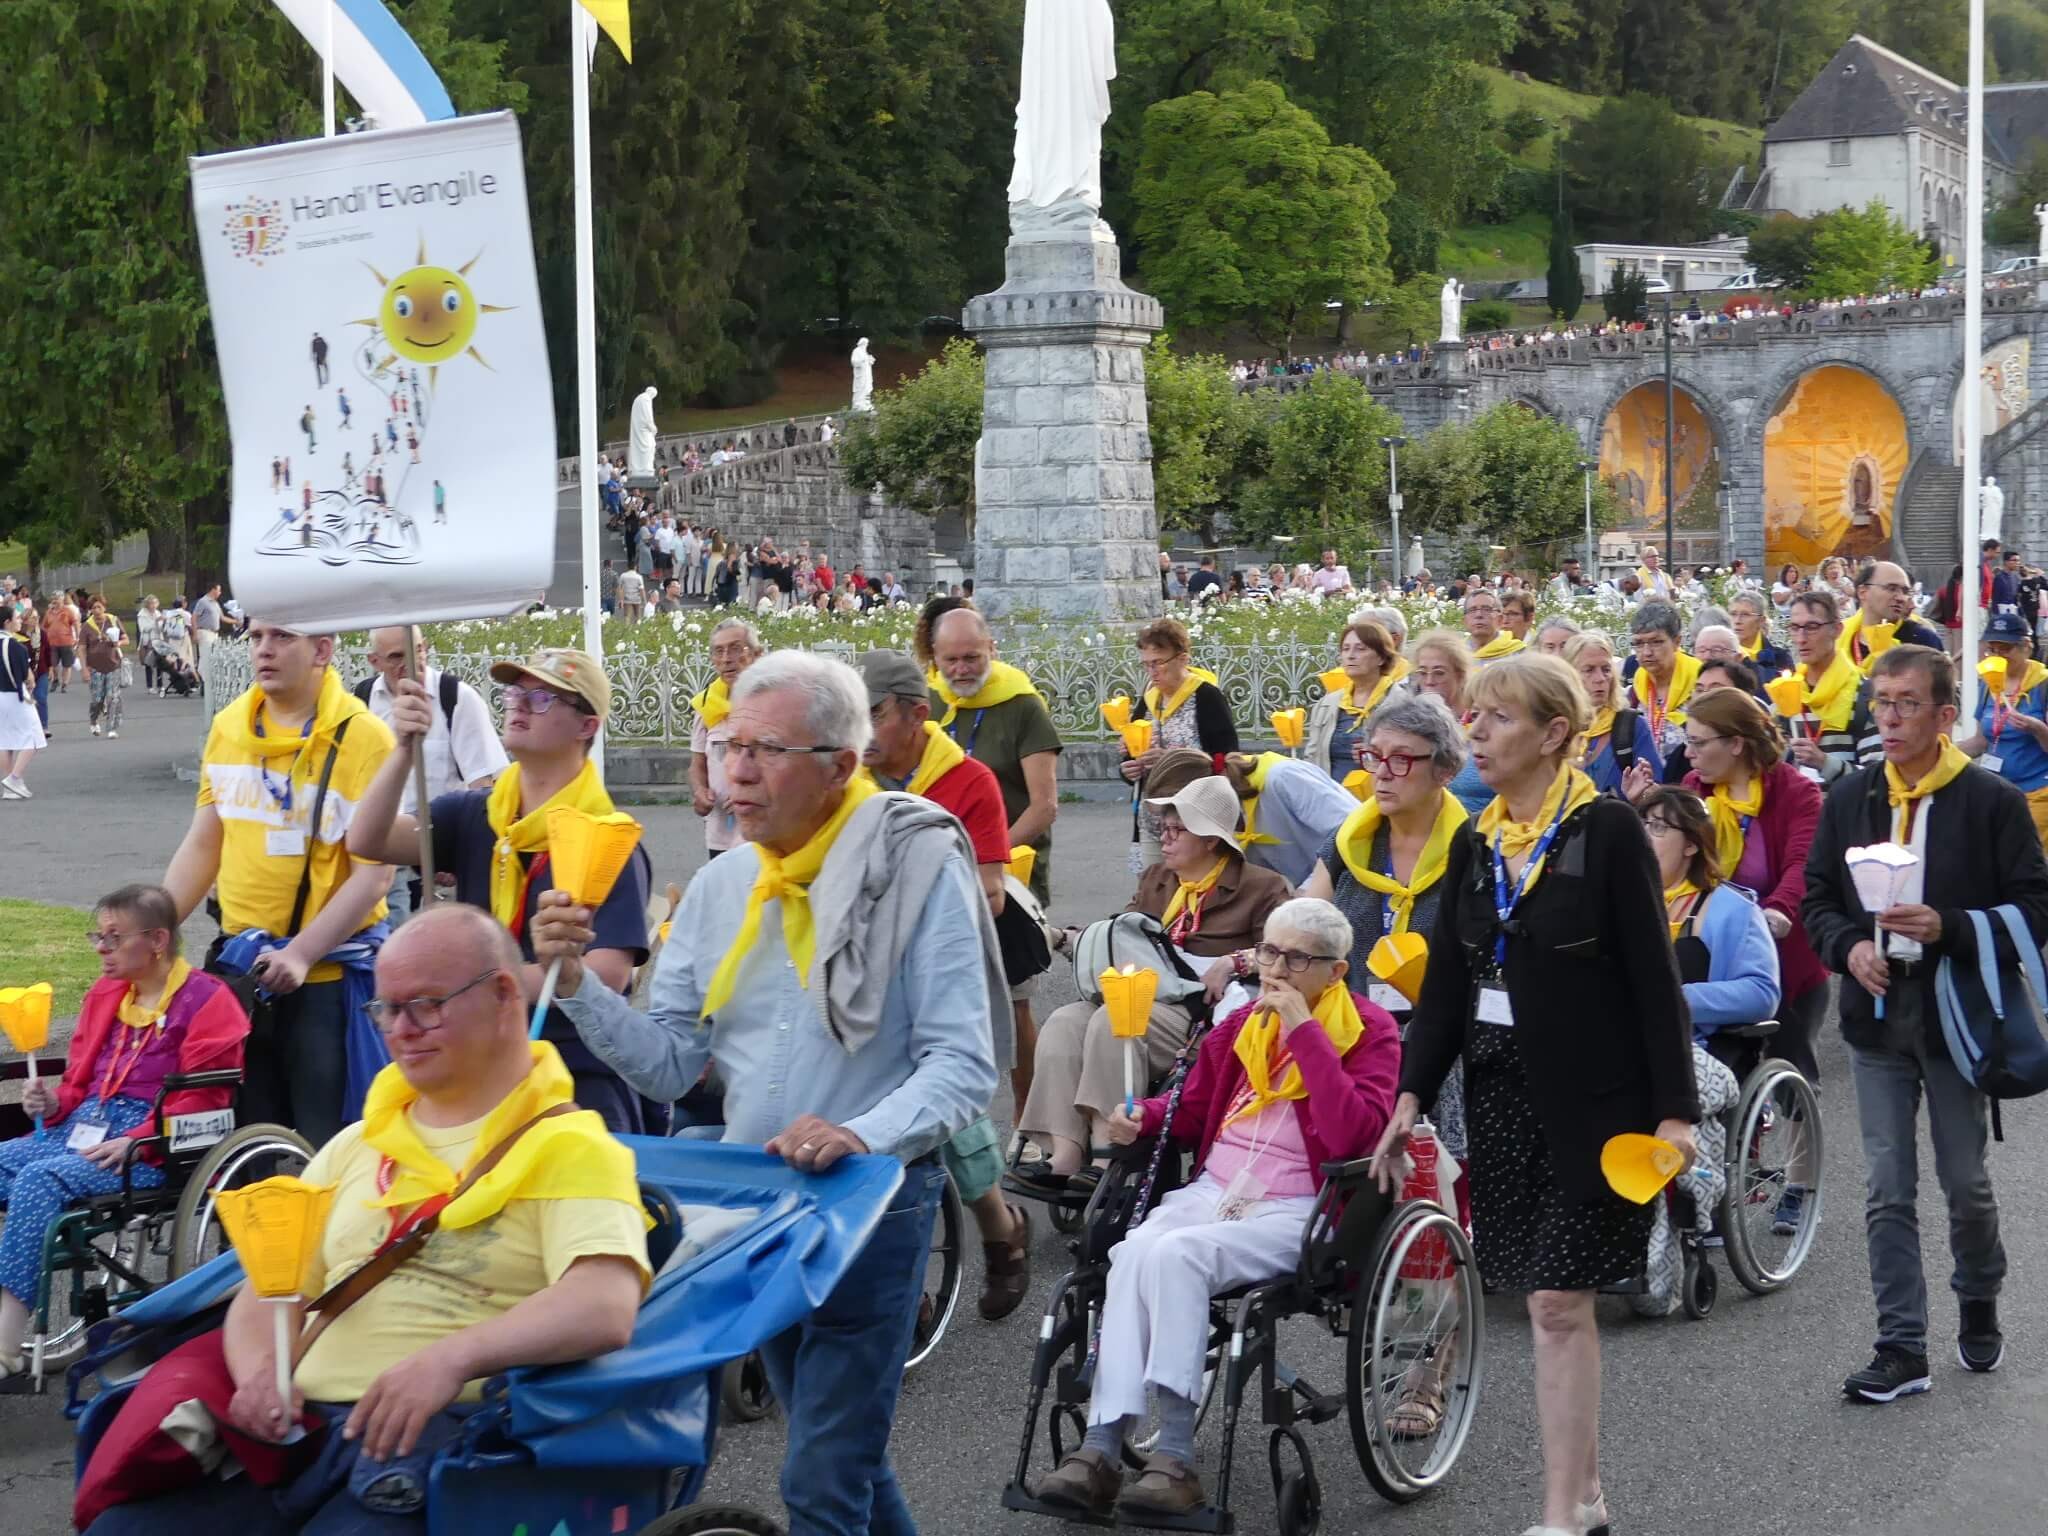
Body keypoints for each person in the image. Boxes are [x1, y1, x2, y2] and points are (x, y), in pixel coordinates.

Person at [532, 651, 1000, 1536]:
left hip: (877, 1202)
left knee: (822, 1478)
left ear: (841, 768)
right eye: (727, 745)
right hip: (761, 1200)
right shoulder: (716, 888)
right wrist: (573, 986)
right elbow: (673, 1068)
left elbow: (962, 1065)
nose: (734, 773)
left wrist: (861, 1134)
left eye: (767, 750)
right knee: (846, 1461)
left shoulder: (915, 867)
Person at [76, 906, 650, 1535]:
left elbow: (603, 1303)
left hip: (440, 1446)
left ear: (503, 994)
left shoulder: (572, 1144)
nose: (400, 1030)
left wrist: (449, 1361)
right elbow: (270, 1285)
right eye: (386, 1009)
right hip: (299, 1437)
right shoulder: (357, 1143)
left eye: (426, 1005)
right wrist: (260, 1373)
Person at [1373, 653, 1697, 1536]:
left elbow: (1652, 978)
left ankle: (1559, 1514)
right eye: (1472, 715)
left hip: (1599, 1107)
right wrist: (1410, 1094)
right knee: (1550, 1302)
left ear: (1556, 734)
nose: (1473, 730)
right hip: (1502, 1101)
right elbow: (1447, 982)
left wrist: (1677, 1110)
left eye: (1498, 719)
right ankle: (1585, 1499)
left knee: (1557, 1303)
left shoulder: (1608, 833)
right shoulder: (1478, 840)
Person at [1032, 898, 1399, 1518]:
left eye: (1296, 957)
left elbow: (1352, 1138)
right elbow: (1192, 1110)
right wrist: (1142, 1117)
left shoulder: (1369, 1031)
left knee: (1174, 1253)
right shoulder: (1239, 1027)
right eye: (1269, 952)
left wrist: (1305, 1033)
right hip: (1219, 1191)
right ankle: (1101, 1447)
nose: (1276, 969)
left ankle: (1173, 1455)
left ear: (1335, 972)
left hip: (1300, 1205)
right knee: (1131, 1252)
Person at [1803, 645, 2048, 1402]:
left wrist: (1950, 926)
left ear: (1947, 715)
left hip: (1954, 1018)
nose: (1891, 718)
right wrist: (1848, 951)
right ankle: (1900, 1346)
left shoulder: (1990, 802)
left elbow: (2035, 910)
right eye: (1881, 703)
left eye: (1907, 703)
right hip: (1875, 1021)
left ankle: (1978, 1296)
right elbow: (1818, 898)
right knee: (1886, 1186)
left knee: (1965, 1181)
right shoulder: (1851, 796)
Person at [348, 648, 654, 1134]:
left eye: (540, 698)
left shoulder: (605, 836)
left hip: (572, 1073)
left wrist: (482, 987)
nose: (518, 705)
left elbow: (607, 975)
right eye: (514, 692)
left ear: (587, 726)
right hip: (481, 1066)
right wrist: (403, 751)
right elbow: (366, 839)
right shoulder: (477, 814)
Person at [0, 885, 251, 1390]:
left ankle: (4, 1348)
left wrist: (141, 1136)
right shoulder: (106, 995)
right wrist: (52, 1104)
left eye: (113, 938)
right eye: (99, 935)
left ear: (157, 940)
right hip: (83, 1126)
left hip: (150, 1143)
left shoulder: (208, 1001)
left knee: (38, 1179)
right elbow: (79, 1083)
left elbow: (202, 1100)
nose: (100, 948)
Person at [160, 621, 397, 1147]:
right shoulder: (228, 727)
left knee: (327, 1147)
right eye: (256, 637)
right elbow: (204, 843)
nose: (264, 649)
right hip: (240, 971)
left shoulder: (365, 739)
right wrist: (153, 933)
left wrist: (303, 954)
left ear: (323, 650)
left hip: (325, 982)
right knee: (237, 1143)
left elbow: (375, 876)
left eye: (283, 636)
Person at [857, 649, 1033, 1320]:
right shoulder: (849, 776)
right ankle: (956, 1250)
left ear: (917, 715)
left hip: (941, 966)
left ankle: (994, 1226)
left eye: (872, 714)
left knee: (936, 1107)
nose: (860, 730)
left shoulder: (968, 781)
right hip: (860, 968)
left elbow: (990, 893)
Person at [1018, 775, 1289, 1184]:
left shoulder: (1262, 887)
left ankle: (1107, 1150)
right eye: (1162, 827)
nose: (1164, 837)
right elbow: (1121, 931)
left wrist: (1235, 961)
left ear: (1211, 839)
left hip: (1200, 1014)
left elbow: (1284, 951)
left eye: (1176, 829)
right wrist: (1068, 938)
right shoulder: (1156, 879)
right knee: (1062, 1023)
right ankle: (1065, 1152)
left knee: (1113, 1021)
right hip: (1144, 991)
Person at [1301, 694, 1471, 1178]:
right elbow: (1308, 925)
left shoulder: (1473, 848)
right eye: (1373, 755)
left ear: (1444, 770)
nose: (1381, 772)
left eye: (1401, 759)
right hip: (1354, 1033)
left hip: (1437, 1041)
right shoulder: (1349, 840)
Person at [920, 603, 1061, 1114]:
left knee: (1016, 1002)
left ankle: (1030, 1126)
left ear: (991, 650)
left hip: (1010, 880)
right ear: (934, 658)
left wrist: (985, 854)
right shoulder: (926, 705)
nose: (961, 669)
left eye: (971, 657)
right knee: (943, 1008)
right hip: (937, 880)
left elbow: (1044, 806)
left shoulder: (1022, 705)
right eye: (950, 659)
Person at [1637, 787, 1781, 1062]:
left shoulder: (1732, 908)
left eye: (1658, 827)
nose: (1644, 836)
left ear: (1691, 844)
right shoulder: (1626, 898)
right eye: (1641, 824)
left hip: (1695, 1053)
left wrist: (1676, 999)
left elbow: (1762, 993)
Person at [357, 626, 507, 820]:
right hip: (380, 837)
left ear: (425, 647)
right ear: (374, 661)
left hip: (440, 838)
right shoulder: (364, 699)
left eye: (417, 650)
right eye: (396, 656)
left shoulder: (456, 697)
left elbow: (483, 785)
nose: (409, 663)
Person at [1123, 617, 1238, 857]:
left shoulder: (1206, 697)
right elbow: (1131, 753)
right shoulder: (1149, 699)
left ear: (1182, 659)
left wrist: (1172, 760)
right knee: (1153, 888)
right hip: (1153, 822)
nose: (1151, 672)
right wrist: (1128, 768)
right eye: (1145, 664)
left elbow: (1226, 759)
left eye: (1158, 663)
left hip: (1196, 822)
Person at [1959, 610, 2048, 850]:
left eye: (2005, 649)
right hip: (1996, 791)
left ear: (2026, 647)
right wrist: (1943, 750)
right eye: (1992, 649)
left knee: (2029, 861)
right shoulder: (1988, 684)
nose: (1998, 656)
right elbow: (1981, 741)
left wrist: (2038, 728)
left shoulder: (2043, 685)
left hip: (2036, 792)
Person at [1773, 590, 1880, 786]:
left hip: (1842, 813)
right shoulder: (1788, 693)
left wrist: (1824, 762)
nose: (1801, 638)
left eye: (1812, 627)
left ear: (1837, 630)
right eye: (1795, 627)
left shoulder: (1865, 695)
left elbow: (1878, 778)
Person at [1214, 748, 1357, 887]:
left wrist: (1309, 891)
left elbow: (1352, 833)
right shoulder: (1228, 809)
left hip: (1351, 883)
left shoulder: (1284, 776)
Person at [1304, 616, 1406, 783]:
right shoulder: (1327, 704)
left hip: (1382, 798)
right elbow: (1312, 759)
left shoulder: (1401, 704)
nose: (1351, 656)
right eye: (1345, 649)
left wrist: (1378, 756)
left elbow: (1412, 759)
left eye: (1360, 649)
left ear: (1381, 657)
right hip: (1331, 801)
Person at [1563, 629, 1661, 798]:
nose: (1600, 678)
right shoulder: (1555, 729)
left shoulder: (1632, 726)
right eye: (1589, 670)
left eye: (1606, 669)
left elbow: (1657, 796)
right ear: (1569, 676)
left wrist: (1640, 798)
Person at [1412, 631, 1491, 815]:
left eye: (1439, 673)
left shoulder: (1481, 720)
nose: (1429, 682)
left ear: (1460, 675)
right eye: (1422, 673)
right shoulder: (1415, 722)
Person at [1842, 560, 1943, 669]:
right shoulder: (1838, 637)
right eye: (1891, 589)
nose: (1901, 598)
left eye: (1905, 591)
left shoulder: (1922, 640)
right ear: (1863, 592)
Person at [0, 602, 44, 799]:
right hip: (14, 695)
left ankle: (10, 787)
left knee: (5, 741)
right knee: (34, 737)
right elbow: (23, 676)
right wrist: (29, 679)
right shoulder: (15, 646)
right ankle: (14, 778)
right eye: (17, 618)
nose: (20, 621)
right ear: (7, 622)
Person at [1727, 590, 1790, 677]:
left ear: (1761, 621)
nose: (1737, 621)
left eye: (1745, 615)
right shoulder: (1722, 656)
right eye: (1733, 614)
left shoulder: (1780, 658)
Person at [1463, 588, 1523, 664]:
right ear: (1464, 621)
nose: (1479, 615)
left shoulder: (1518, 654)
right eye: (1472, 610)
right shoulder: (1456, 652)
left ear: (1500, 619)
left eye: (1486, 609)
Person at [42, 590, 78, 693]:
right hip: (52, 642)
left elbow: (75, 623)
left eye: (57, 598)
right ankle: (56, 680)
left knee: (67, 665)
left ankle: (64, 684)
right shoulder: (49, 612)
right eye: (53, 598)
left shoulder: (67, 611)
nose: (55, 601)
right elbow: (44, 626)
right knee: (53, 664)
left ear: (62, 599)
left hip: (66, 641)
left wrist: (77, 636)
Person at [191, 583, 224, 678]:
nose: (220, 593)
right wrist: (195, 633)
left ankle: (205, 677)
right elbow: (194, 617)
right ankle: (204, 678)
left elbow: (222, 617)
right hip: (205, 632)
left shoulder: (215, 603)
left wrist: (236, 621)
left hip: (214, 633)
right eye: (219, 590)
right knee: (206, 655)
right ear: (213, 590)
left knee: (212, 657)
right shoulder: (203, 601)